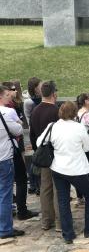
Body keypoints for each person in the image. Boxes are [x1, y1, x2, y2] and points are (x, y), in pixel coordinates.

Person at [37, 101, 89, 244]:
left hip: (58, 169)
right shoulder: (79, 128)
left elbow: (39, 142)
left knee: (63, 201)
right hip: (77, 169)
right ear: (74, 113)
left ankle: (68, 233)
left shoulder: (53, 126)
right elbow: (86, 147)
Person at [1, 81, 38, 220]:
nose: (12, 93)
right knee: (20, 180)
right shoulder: (8, 109)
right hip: (10, 151)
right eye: (8, 92)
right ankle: (20, 210)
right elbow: (18, 128)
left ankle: (10, 211)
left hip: (8, 150)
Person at [29, 80, 60, 231]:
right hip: (57, 154)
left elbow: (32, 134)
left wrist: (38, 150)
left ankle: (46, 220)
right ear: (54, 94)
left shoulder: (35, 110)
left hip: (42, 154)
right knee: (59, 188)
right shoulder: (56, 110)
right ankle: (61, 222)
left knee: (45, 188)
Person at [0, 85, 25, 239]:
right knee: (5, 193)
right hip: (4, 157)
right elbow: (19, 130)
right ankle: (5, 228)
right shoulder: (6, 112)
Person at [23, 77, 42, 195]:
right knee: (37, 158)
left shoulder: (39, 99)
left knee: (37, 158)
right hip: (35, 132)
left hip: (39, 131)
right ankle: (34, 184)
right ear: (35, 88)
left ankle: (34, 184)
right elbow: (30, 118)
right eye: (39, 85)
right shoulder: (29, 102)